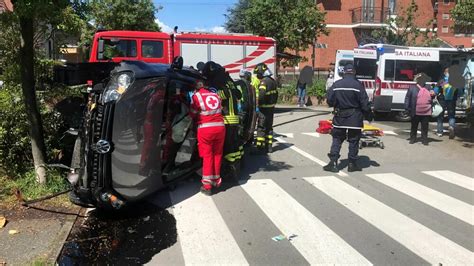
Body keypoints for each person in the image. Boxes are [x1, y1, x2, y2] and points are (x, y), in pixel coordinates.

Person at [323, 63, 372, 173]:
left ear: (344, 72)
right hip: (355, 118)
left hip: (340, 117)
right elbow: (364, 103)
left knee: (337, 139)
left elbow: (330, 101)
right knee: (354, 141)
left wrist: (337, 103)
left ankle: (333, 163)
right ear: (354, 72)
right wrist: (369, 115)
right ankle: (352, 164)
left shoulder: (336, 84)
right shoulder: (358, 85)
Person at [202, 61, 242, 179]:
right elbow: (239, 94)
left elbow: (215, 98)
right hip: (235, 117)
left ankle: (229, 172)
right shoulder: (228, 80)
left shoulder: (218, 83)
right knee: (235, 145)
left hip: (226, 119)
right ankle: (237, 167)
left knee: (228, 148)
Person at [189, 80, 226, 195]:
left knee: (208, 156)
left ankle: (207, 185)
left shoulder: (197, 96)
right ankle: (216, 181)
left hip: (206, 129)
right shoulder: (215, 95)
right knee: (217, 154)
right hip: (220, 127)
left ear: (196, 88)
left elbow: (192, 113)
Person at [404, 73, 435, 145]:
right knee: (414, 126)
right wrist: (406, 107)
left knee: (425, 127)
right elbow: (407, 98)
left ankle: (424, 140)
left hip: (426, 111)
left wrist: (433, 94)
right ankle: (412, 139)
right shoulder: (412, 88)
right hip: (415, 111)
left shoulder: (428, 87)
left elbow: (432, 97)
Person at [254, 63, 278, 153]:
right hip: (271, 108)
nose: (257, 76)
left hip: (263, 109)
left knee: (261, 127)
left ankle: (260, 148)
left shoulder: (264, 82)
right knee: (269, 127)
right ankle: (269, 147)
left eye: (258, 74)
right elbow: (276, 94)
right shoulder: (272, 81)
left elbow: (261, 95)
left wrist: (258, 104)